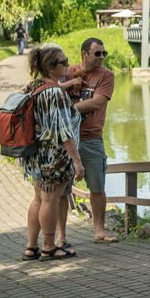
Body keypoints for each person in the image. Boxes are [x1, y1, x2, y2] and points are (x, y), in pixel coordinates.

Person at [19, 45, 85, 262]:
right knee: (50, 200)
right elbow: (64, 132)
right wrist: (77, 161)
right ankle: (48, 247)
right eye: (63, 62)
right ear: (50, 66)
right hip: (53, 156)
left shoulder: (33, 86)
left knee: (38, 199)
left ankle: (31, 247)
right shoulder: (55, 93)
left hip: (36, 154)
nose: (68, 66)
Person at [57, 38, 117, 245]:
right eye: (97, 53)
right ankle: (61, 236)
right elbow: (52, 91)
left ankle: (99, 230)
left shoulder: (106, 76)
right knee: (61, 189)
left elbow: (97, 102)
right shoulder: (68, 72)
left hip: (92, 138)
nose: (102, 57)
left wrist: (66, 109)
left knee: (97, 186)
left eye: (104, 54)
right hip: (66, 139)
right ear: (84, 54)